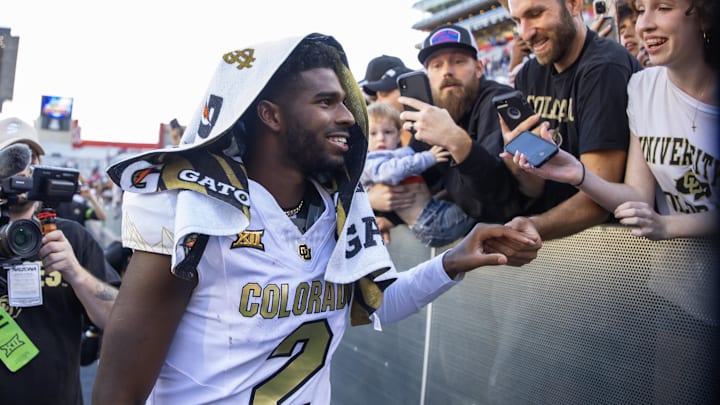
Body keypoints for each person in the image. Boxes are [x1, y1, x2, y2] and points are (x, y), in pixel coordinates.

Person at [91, 33, 541, 404]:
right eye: (326, 102)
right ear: (271, 115)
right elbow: (119, 392)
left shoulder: (337, 206)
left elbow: (377, 301)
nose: (348, 116)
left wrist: (453, 261)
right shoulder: (194, 211)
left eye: (345, 102)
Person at [483, 0, 642, 260]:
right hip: (564, 248)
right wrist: (519, 161)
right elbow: (535, 188)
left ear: (574, 4)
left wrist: (534, 227)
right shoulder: (529, 74)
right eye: (517, 21)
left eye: (535, 14)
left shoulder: (604, 68)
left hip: (618, 251)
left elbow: (599, 198)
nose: (525, 33)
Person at [0, 117, 119, 405]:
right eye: (11, 160)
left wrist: (75, 273)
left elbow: (118, 318)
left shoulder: (72, 238)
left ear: (40, 164)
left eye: (28, 158)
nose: (22, 169)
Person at [394, 24, 538, 231]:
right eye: (436, 65)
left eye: (458, 61)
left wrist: (457, 142)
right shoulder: (436, 112)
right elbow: (422, 174)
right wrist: (386, 211)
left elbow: (501, 205)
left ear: (479, 68)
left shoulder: (497, 102)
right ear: (427, 77)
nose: (447, 72)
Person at [362, 102, 476, 246]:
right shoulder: (371, 161)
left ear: (398, 136)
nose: (381, 138)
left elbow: (410, 154)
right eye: (373, 133)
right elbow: (390, 172)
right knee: (480, 205)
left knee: (476, 204)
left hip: (434, 210)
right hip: (430, 223)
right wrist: (429, 157)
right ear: (364, 138)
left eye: (388, 132)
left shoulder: (399, 154)